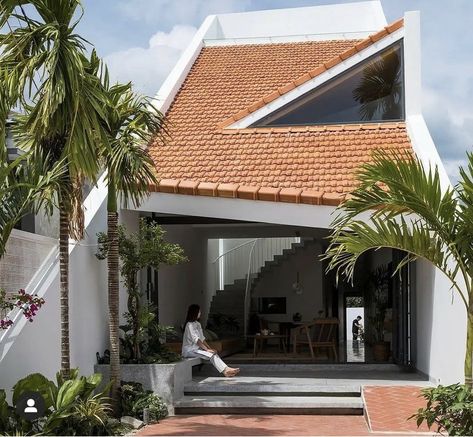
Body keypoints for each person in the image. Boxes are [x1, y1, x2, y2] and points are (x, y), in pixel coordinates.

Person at [182, 304, 240, 377]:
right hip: (189, 351)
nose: (200, 313)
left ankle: (226, 370)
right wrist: (207, 350)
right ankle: (226, 370)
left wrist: (209, 349)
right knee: (211, 354)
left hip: (196, 350)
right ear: (194, 312)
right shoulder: (189, 325)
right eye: (199, 312)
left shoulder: (197, 324)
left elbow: (202, 339)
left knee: (213, 352)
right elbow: (196, 340)